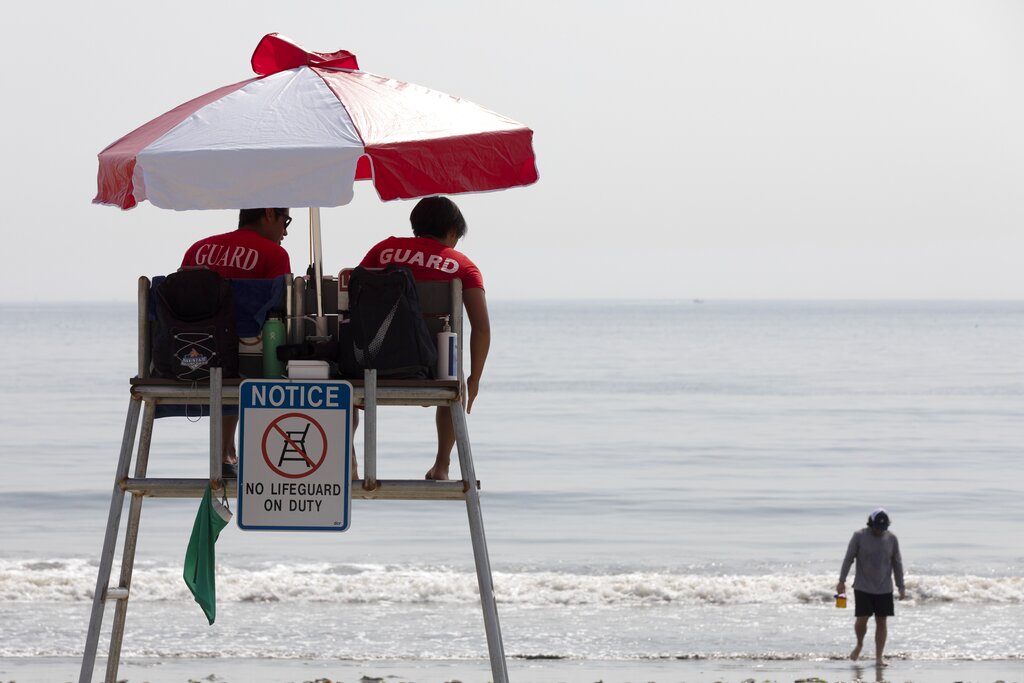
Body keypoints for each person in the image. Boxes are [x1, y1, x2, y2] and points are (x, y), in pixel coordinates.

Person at [359, 196, 491, 480]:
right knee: (455, 378)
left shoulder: (383, 250)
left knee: (341, 385)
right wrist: (474, 381)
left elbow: (354, 297)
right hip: (433, 369)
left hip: (373, 361)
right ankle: (441, 466)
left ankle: (352, 465)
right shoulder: (461, 265)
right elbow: (481, 328)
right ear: (453, 232)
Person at [180, 208, 292, 478]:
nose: (285, 231)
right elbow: (284, 310)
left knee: (227, 348)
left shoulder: (197, 250)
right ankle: (261, 456)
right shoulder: (274, 254)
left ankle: (225, 449)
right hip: (251, 362)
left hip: (191, 356)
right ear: (268, 214)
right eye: (285, 221)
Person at [836, 508, 906, 665]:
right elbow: (848, 559)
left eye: (883, 528)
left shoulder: (892, 539)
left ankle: (879, 657)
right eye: (876, 527)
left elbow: (897, 563)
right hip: (863, 586)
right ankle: (859, 643)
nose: (879, 530)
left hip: (884, 588)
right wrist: (841, 581)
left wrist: (901, 586)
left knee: (882, 621)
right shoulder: (859, 536)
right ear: (870, 523)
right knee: (862, 619)